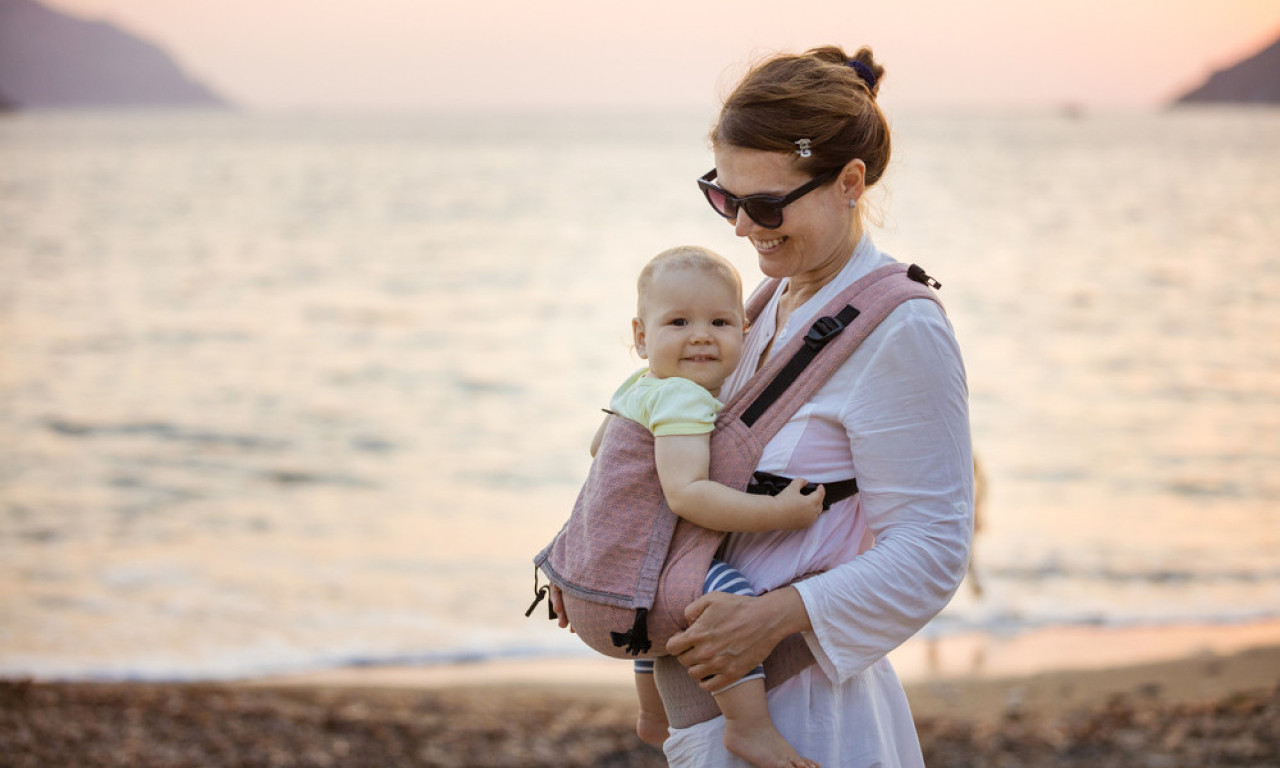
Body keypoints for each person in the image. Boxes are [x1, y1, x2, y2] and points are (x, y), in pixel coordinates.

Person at [588, 45, 974, 767]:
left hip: (809, 713)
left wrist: (770, 621)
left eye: (765, 204)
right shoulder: (760, 306)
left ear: (850, 181)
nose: (739, 227)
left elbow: (932, 548)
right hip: (710, 705)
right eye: (723, 196)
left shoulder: (902, 328)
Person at [584, 245, 826, 768]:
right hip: (640, 569)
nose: (700, 334)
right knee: (725, 592)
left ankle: (652, 714)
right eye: (679, 321)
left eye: (719, 321)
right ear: (641, 336)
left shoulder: (640, 386)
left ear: (744, 330)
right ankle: (749, 726)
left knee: (658, 607)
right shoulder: (683, 399)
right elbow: (688, 495)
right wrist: (779, 514)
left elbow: (599, 448)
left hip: (616, 565)